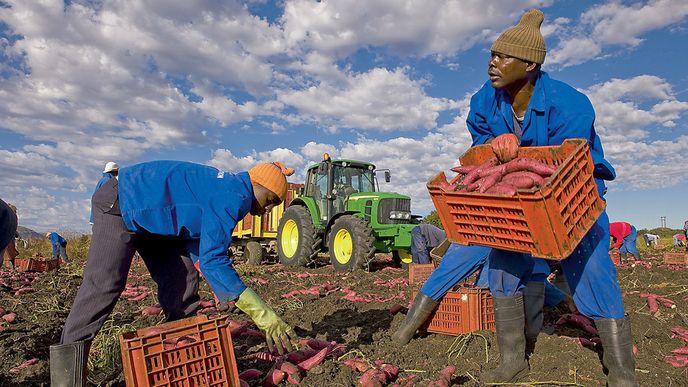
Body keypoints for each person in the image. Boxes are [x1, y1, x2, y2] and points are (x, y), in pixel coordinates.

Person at [464, 9, 637, 385]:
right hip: (514, 202)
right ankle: (513, 360)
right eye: (491, 55)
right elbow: (478, 136)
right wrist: (494, 144)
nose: (492, 64)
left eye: (502, 57)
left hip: (573, 195)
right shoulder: (485, 100)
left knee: (593, 270)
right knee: (503, 266)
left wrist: (519, 156)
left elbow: (566, 161)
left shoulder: (570, 103)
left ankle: (621, 372)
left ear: (529, 64)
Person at [49, 160, 299, 386]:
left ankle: (180, 359)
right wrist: (263, 314)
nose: (267, 209)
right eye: (270, 200)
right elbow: (214, 260)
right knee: (104, 285)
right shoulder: (233, 195)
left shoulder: (230, 190)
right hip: (122, 202)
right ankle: (66, 380)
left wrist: (221, 288)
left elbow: (201, 250)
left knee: (182, 281)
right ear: (257, 184)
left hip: (156, 225)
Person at [1, 199, 19, 270]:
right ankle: (11, 268)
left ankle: (11, 268)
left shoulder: (11, 216)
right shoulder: (11, 217)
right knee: (10, 256)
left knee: (10, 256)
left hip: (8, 242)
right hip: (8, 242)